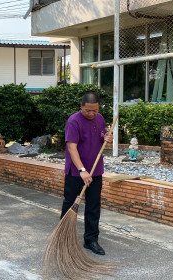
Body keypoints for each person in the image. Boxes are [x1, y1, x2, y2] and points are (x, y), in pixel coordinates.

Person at [61, 92, 113, 255]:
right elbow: (72, 147)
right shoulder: (73, 121)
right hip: (76, 173)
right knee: (70, 204)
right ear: (81, 106)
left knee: (93, 206)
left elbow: (102, 134)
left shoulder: (100, 118)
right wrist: (82, 170)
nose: (91, 114)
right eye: (88, 110)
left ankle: (91, 240)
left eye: (95, 110)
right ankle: (63, 239)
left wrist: (107, 137)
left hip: (96, 170)